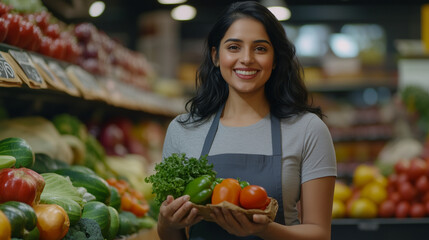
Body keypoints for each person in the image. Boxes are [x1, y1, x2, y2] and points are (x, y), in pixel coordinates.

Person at [157, 1, 337, 239]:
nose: (247, 58)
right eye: (233, 47)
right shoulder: (183, 130)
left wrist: (265, 230)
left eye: (260, 49)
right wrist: (167, 223)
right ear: (215, 56)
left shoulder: (308, 129)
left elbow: (320, 233)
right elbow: (172, 233)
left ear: (274, 60)